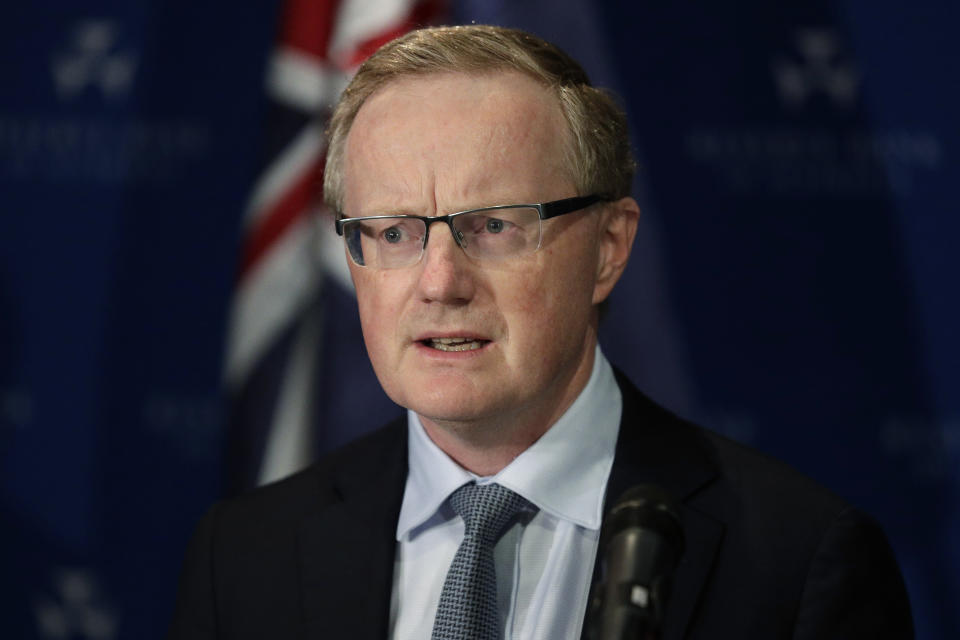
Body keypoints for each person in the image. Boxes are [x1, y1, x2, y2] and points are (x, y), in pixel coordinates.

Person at [168, 25, 912, 639]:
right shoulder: (242, 559)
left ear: (609, 249)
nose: (439, 282)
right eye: (394, 233)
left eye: (492, 226)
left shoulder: (797, 562)